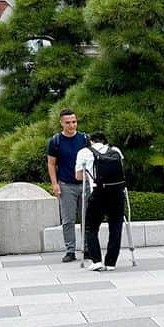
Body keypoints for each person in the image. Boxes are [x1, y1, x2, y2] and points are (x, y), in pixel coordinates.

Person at [76, 132, 126, 270]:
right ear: (105, 141)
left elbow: (78, 176)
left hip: (98, 193)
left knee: (91, 227)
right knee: (116, 227)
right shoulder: (115, 151)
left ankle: (96, 260)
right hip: (117, 193)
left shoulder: (84, 152)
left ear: (91, 141)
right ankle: (111, 263)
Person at [47, 109, 89, 263]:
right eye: (68, 122)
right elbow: (51, 164)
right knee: (68, 220)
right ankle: (70, 250)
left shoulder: (85, 139)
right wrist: (54, 184)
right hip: (66, 185)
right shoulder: (55, 141)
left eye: (74, 122)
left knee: (87, 218)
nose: (72, 125)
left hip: (85, 184)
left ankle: (87, 248)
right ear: (61, 123)